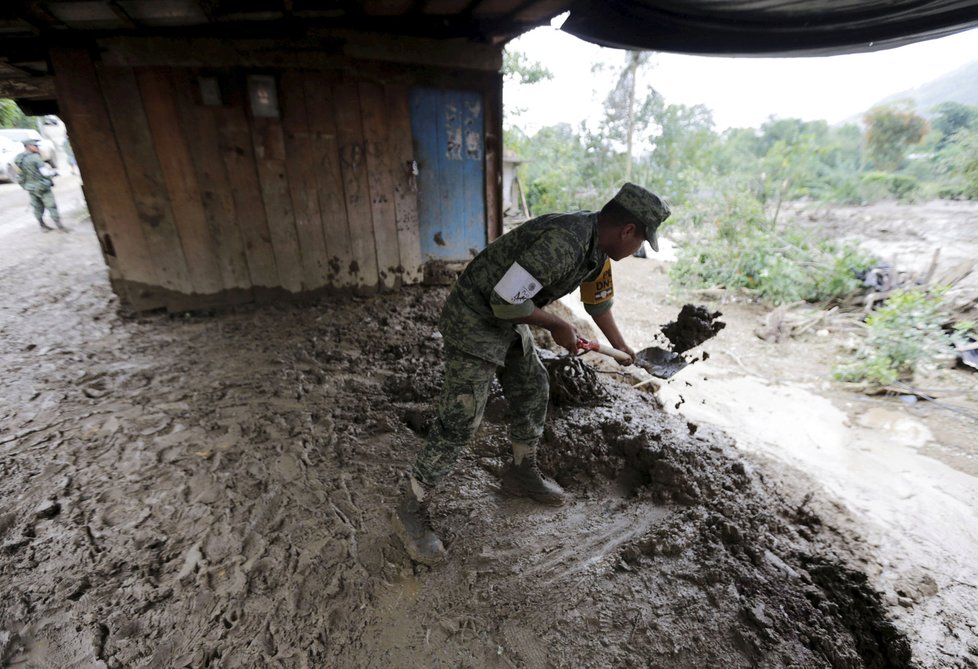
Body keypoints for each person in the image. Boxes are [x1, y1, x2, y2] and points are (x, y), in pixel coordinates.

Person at [393, 182, 671, 564]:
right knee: (461, 419)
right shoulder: (566, 242)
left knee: (532, 387)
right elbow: (504, 299)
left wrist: (621, 346)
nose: (637, 249)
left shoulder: (596, 250)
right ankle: (412, 507)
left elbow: (597, 300)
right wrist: (556, 325)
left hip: (507, 317)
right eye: (640, 241)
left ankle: (521, 472)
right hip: (476, 315)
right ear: (627, 231)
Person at [15, 138, 65, 232]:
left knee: (37, 207)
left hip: (30, 187)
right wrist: (54, 173)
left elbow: (20, 174)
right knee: (51, 205)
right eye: (35, 146)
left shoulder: (20, 159)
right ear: (29, 146)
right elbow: (44, 173)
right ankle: (60, 227)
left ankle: (42, 226)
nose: (37, 147)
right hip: (42, 186)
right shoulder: (36, 158)